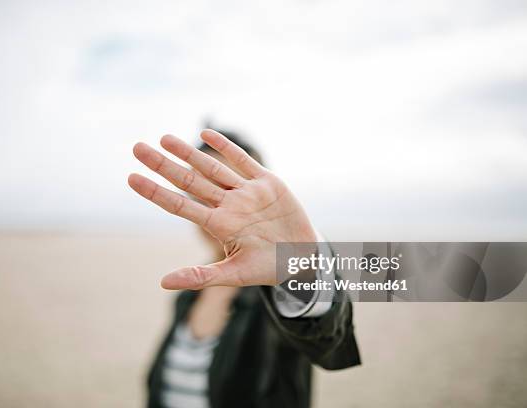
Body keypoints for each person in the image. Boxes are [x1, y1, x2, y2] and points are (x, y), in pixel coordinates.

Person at [127, 129, 360, 408]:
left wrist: (299, 261)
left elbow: (326, 333)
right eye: (199, 193)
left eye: (228, 190)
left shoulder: (276, 293)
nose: (218, 210)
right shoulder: (188, 294)